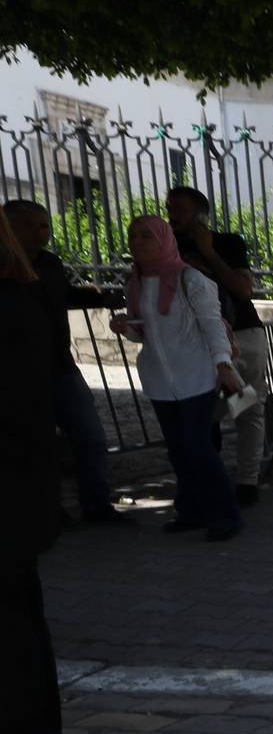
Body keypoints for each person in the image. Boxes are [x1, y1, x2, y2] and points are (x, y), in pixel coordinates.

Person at [109, 216, 244, 541]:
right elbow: (145, 334)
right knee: (179, 449)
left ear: (164, 239)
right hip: (159, 380)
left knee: (198, 446)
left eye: (145, 236)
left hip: (196, 375)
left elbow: (212, 324)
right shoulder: (136, 283)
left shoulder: (191, 279)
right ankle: (191, 510)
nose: (136, 242)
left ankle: (226, 514)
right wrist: (126, 327)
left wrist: (222, 364)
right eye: (132, 236)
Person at [0, 210, 66, 734]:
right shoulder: (20, 296)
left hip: (12, 485)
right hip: (20, 483)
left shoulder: (12, 302)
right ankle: (30, 732)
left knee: (13, 617)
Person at [4, 199, 121, 523]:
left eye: (44, 225)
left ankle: (97, 505)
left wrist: (98, 297)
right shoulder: (6, 269)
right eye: (31, 226)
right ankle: (47, 510)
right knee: (36, 444)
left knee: (90, 436)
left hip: (59, 366)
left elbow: (62, 294)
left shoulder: (50, 263)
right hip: (19, 373)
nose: (41, 233)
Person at [164, 186, 265, 507]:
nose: (172, 214)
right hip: (196, 344)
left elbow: (243, 289)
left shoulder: (227, 243)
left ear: (200, 214)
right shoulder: (168, 248)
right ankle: (208, 477)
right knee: (201, 412)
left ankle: (247, 481)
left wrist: (210, 254)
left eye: (179, 208)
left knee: (246, 407)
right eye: (169, 208)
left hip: (240, 339)